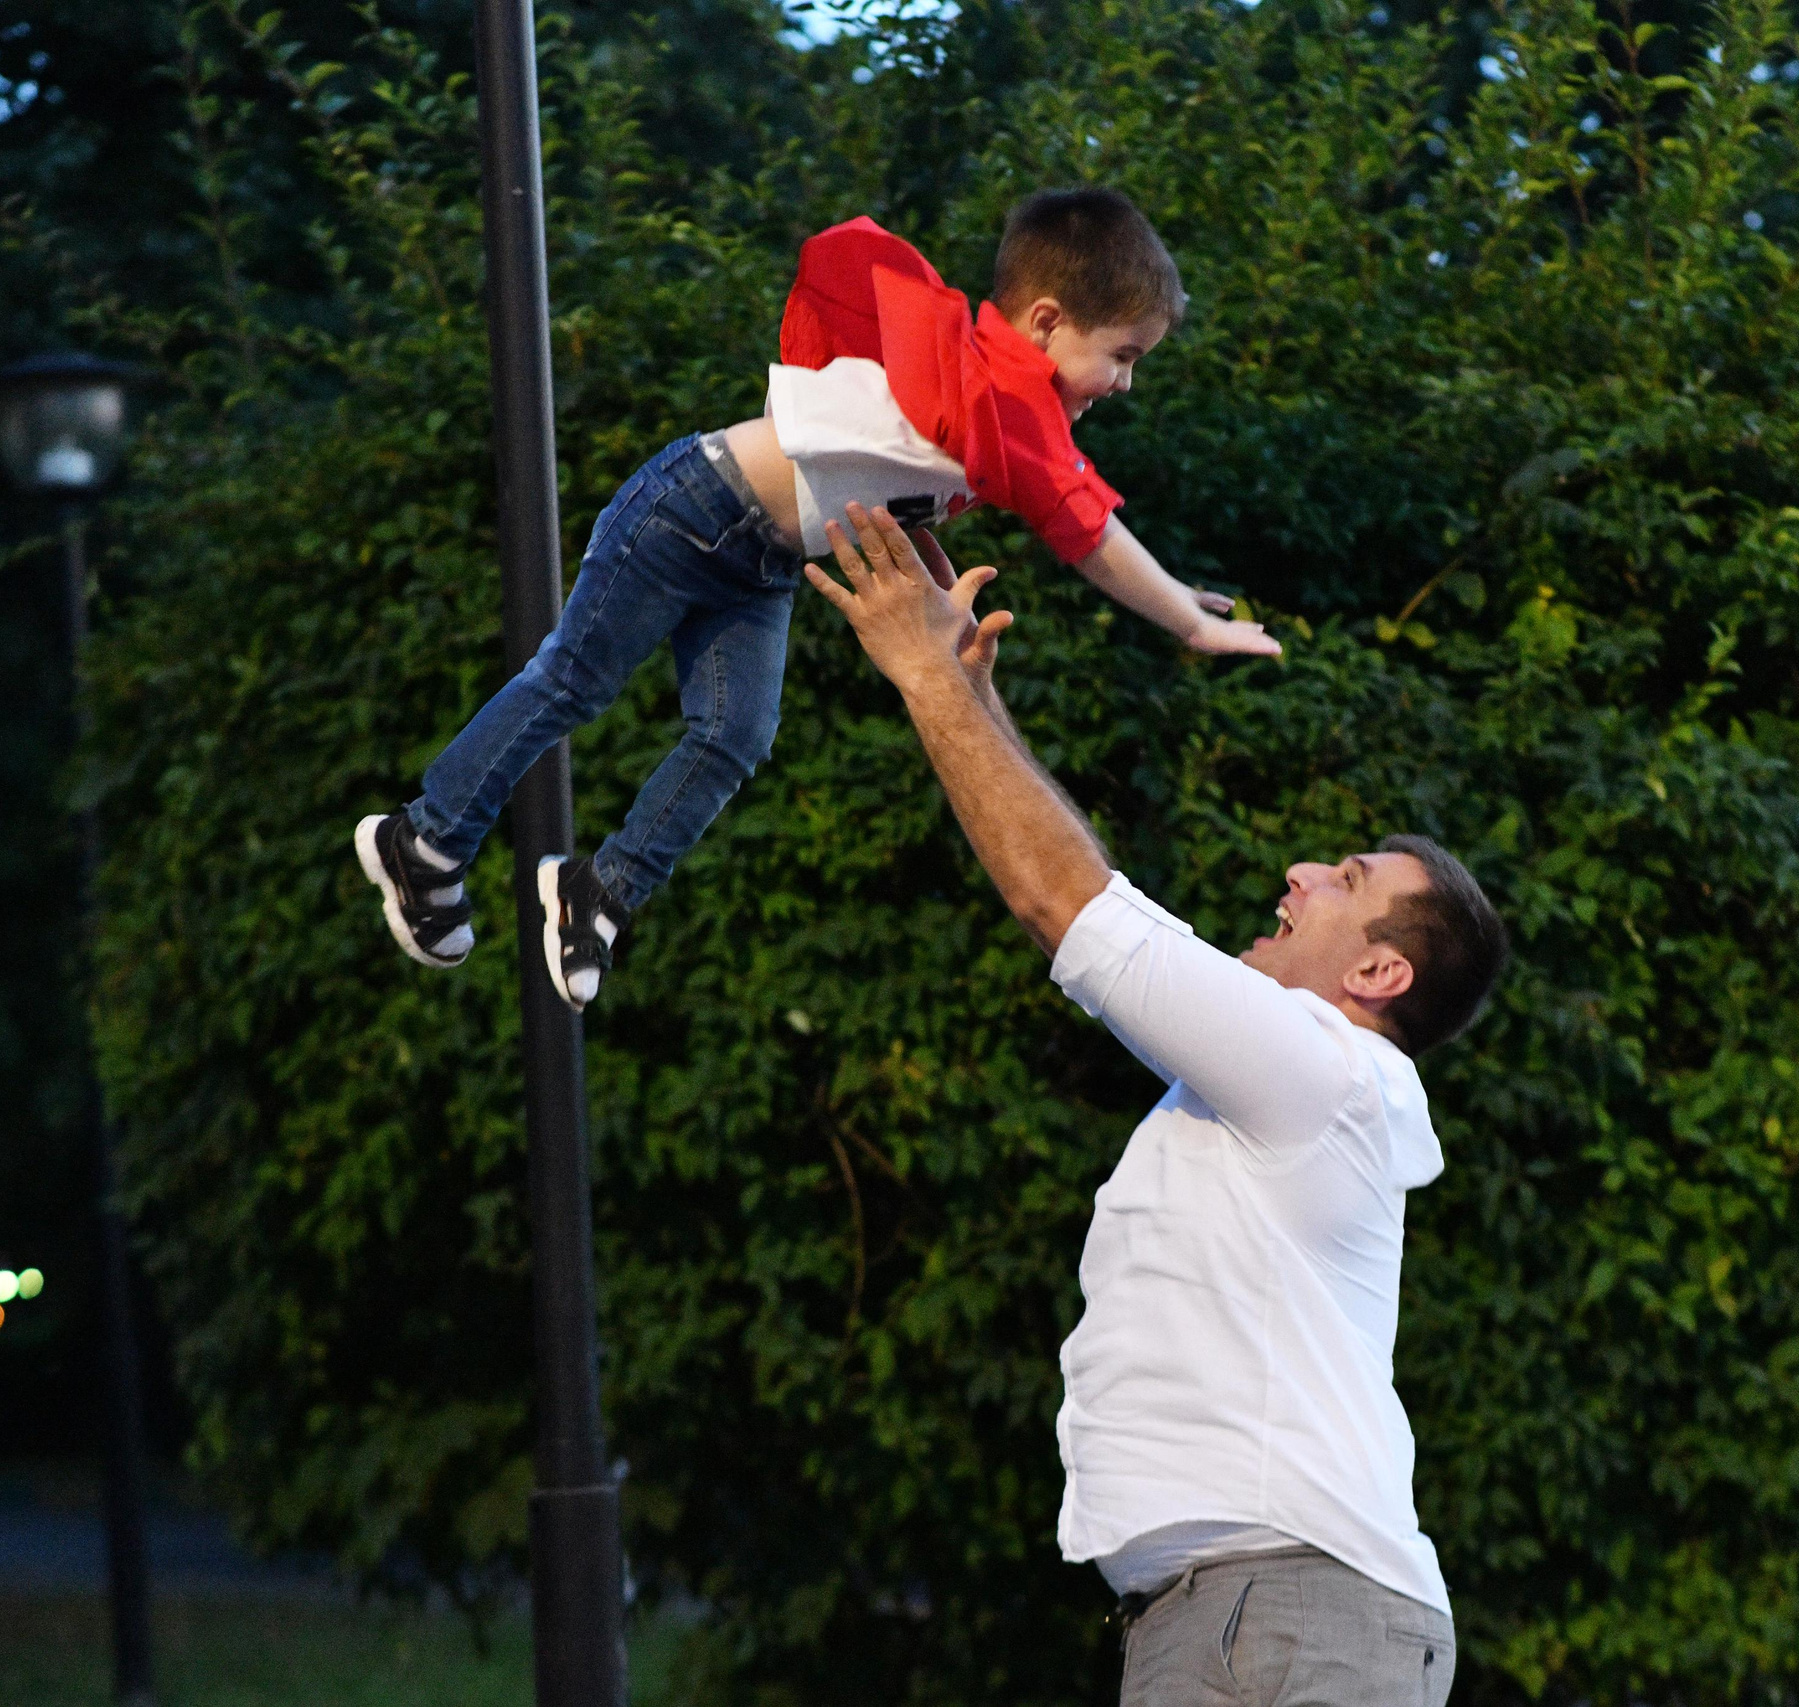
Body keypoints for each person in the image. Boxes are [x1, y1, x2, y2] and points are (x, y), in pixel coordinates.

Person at [805, 503, 1511, 1707]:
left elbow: (1064, 903)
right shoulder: (1275, 1088)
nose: (1298, 872)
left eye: (1342, 882)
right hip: (1243, 1614)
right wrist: (977, 700)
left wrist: (929, 683)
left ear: (1378, 975)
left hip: (1290, 1610)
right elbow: (1070, 883)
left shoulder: (1322, 1068)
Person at [354, 189, 1279, 1009]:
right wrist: (1186, 621)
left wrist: (941, 587)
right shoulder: (1004, 395)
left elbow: (896, 488)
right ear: (1043, 323)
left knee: (736, 733)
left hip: (757, 558)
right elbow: (1090, 534)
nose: (1125, 383)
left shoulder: (987, 396)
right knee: (572, 682)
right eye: (1123, 355)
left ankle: (599, 890)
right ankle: (424, 840)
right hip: (692, 508)